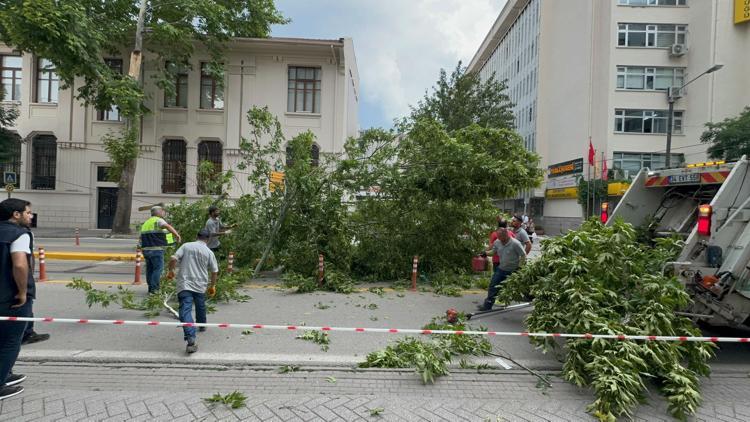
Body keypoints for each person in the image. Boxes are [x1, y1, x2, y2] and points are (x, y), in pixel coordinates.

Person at [0, 198, 37, 400]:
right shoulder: (19, 234)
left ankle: (6, 373)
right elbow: (20, 265)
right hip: (10, 299)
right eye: (28, 212)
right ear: (16, 215)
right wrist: (22, 292)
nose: (30, 216)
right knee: (10, 341)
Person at [168, 228, 218, 354]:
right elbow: (214, 271)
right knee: (200, 305)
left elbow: (173, 258)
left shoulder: (186, 246)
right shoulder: (209, 252)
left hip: (185, 283)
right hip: (200, 284)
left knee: (185, 310)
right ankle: (202, 324)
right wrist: (213, 286)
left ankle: (191, 337)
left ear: (197, 236)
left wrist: (171, 271)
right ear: (208, 239)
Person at [478, 227, 526, 311]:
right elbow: (493, 252)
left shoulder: (515, 243)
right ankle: (487, 306)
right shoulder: (497, 242)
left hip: (513, 270)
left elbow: (523, 255)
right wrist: (485, 253)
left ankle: (530, 297)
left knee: (518, 287)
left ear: (506, 235)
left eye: (502, 238)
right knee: (493, 286)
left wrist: (520, 267)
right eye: (499, 238)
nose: (501, 241)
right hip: (501, 268)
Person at [139, 206, 181, 294]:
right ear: (160, 212)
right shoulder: (158, 220)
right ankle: (155, 290)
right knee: (158, 269)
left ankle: (150, 288)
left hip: (146, 250)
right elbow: (166, 226)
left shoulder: (146, 223)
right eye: (163, 211)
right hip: (156, 250)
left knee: (150, 269)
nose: (164, 213)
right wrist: (177, 235)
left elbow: (141, 237)